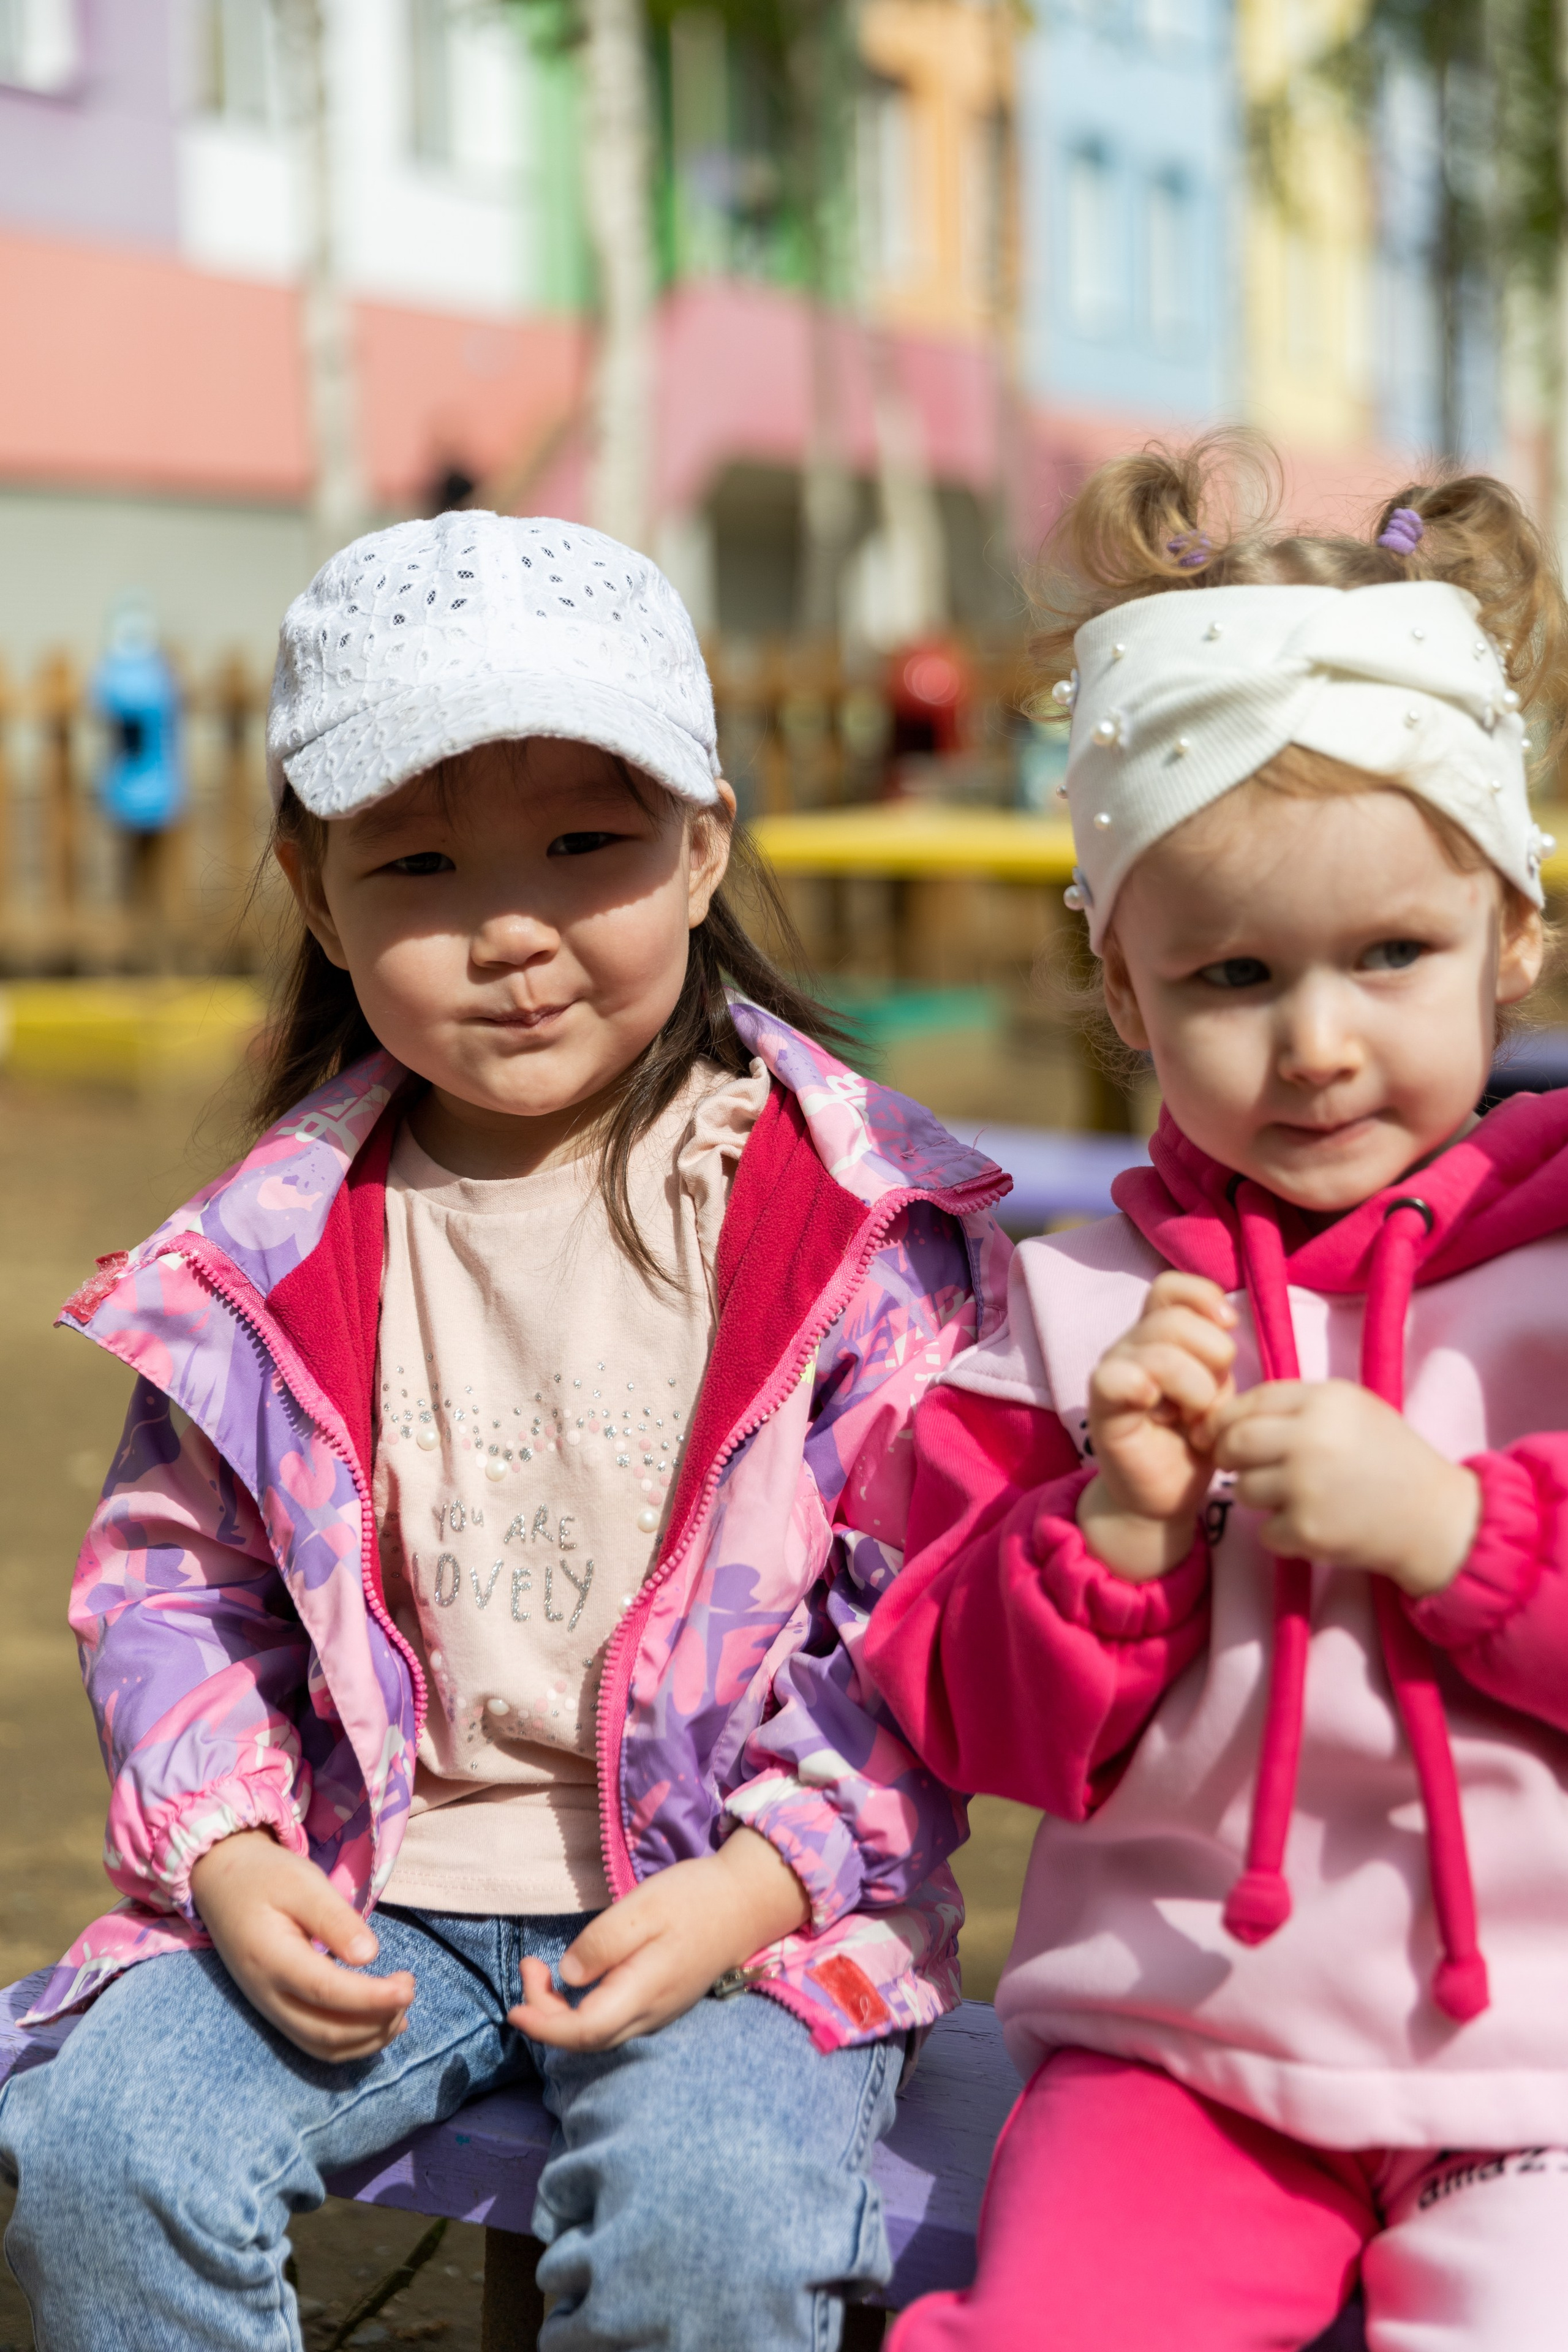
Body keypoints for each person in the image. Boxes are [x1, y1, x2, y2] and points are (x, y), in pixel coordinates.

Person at [0, 513, 1009, 2352]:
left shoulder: (851, 1231)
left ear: (705, 845)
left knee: (713, 2223)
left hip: (734, 1909)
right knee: (103, 2153)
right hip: (357, 1878)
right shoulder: (273, 1249)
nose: (512, 928)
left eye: (583, 844)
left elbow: (918, 1616)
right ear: (320, 896)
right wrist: (229, 1852)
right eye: (421, 865)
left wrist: (764, 1884)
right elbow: (172, 1587)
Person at [864, 439, 1568, 2351]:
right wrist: (1112, 1538)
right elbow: (970, 1723)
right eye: (1235, 973)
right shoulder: (1076, 1303)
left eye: (1396, 954)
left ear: (1518, 933)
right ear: (1124, 991)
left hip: (1542, 2089)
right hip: (1178, 2062)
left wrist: (1453, 1528)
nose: (1319, 1043)